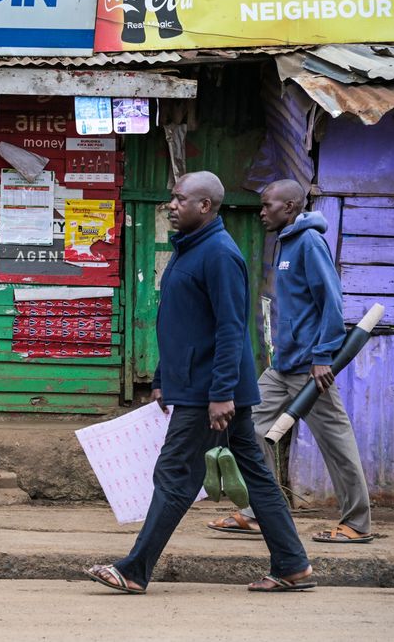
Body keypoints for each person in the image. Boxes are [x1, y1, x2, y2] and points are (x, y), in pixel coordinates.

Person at [85, 171, 314, 594]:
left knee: (174, 474)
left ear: (205, 205)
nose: (171, 205)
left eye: (179, 199)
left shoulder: (219, 254)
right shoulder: (189, 249)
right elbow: (180, 323)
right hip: (197, 386)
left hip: (209, 391)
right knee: (256, 475)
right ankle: (293, 565)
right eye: (172, 198)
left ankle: (135, 569)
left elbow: (230, 328)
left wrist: (222, 393)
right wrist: (161, 378)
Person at [207, 179, 373, 543]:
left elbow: (331, 300)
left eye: (268, 205)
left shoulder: (309, 242)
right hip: (283, 366)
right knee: (248, 428)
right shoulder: (285, 242)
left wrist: (323, 355)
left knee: (336, 443)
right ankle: (258, 512)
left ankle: (357, 523)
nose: (262, 212)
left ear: (291, 207)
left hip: (311, 369)